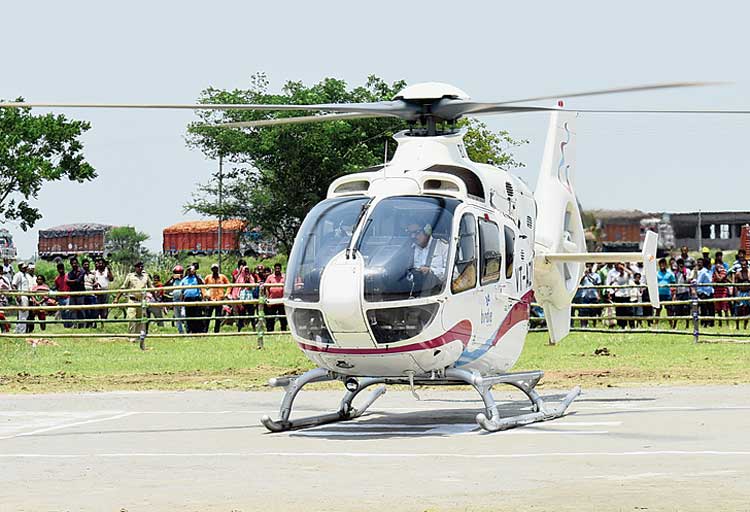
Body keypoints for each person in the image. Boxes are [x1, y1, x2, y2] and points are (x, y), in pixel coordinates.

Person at [407, 223, 450, 297]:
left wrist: (431, 271)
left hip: (438, 294)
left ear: (427, 231)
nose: (413, 236)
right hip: (414, 294)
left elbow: (454, 273)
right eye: (410, 233)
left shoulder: (443, 246)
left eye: (416, 232)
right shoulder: (410, 249)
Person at [115, 261, 154, 340]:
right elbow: (123, 287)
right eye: (138, 267)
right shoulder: (130, 276)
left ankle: (138, 336)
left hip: (142, 300)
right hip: (132, 300)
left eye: (141, 266)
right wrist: (117, 298)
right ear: (135, 268)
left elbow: (151, 287)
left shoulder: (146, 276)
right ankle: (131, 337)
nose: (140, 268)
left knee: (140, 319)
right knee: (132, 318)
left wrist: (157, 297)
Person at [204, 263, 230, 333]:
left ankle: (216, 331)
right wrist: (205, 294)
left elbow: (229, 285)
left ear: (218, 269)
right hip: (210, 299)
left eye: (216, 268)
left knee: (218, 316)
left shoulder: (222, 277)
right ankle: (205, 331)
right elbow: (202, 286)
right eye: (213, 269)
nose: (215, 270)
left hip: (219, 299)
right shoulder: (208, 277)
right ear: (211, 270)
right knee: (207, 316)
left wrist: (226, 294)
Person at [180, 265, 205, 334]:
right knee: (189, 315)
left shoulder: (197, 278)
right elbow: (182, 291)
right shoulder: (184, 279)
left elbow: (202, 283)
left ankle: (198, 331)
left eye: (192, 270)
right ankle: (190, 330)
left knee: (197, 315)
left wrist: (195, 275)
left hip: (196, 298)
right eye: (189, 270)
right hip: (187, 299)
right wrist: (181, 301)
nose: (190, 271)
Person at [607, 262, 633, 328]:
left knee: (629, 311)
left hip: (626, 295)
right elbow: (609, 283)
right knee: (620, 311)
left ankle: (631, 326)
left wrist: (623, 268)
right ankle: (622, 326)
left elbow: (631, 273)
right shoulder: (615, 275)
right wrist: (612, 291)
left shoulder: (627, 274)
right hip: (618, 295)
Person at [232, 265, 257, 331]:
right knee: (241, 314)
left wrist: (248, 281)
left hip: (249, 297)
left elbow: (253, 286)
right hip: (242, 297)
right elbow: (237, 288)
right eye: (245, 270)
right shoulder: (239, 278)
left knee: (251, 314)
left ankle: (254, 328)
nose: (246, 271)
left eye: (247, 270)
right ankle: (239, 329)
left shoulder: (251, 277)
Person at [575, 263, 601, 327]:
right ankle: (583, 325)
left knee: (594, 311)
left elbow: (598, 285)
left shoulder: (596, 275)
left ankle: (594, 325)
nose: (588, 267)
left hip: (593, 295)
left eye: (590, 266)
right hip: (584, 295)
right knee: (583, 311)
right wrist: (584, 275)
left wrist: (598, 295)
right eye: (587, 266)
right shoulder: (582, 276)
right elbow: (579, 282)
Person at [264, 263, 287, 332]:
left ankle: (284, 330)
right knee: (270, 317)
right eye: (276, 268)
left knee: (283, 317)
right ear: (274, 269)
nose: (277, 270)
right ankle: (270, 331)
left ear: (280, 269)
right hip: (272, 300)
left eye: (278, 268)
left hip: (281, 300)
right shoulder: (270, 277)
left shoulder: (284, 277)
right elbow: (266, 288)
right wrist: (268, 299)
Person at [65, 257, 86, 328]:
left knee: (81, 309)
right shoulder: (70, 273)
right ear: (71, 264)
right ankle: (75, 324)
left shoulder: (82, 271)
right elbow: (67, 282)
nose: (74, 265)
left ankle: (82, 324)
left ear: (77, 263)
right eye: (72, 263)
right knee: (73, 309)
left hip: (80, 293)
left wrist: (71, 281)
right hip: (72, 293)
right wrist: (74, 281)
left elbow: (78, 280)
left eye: (75, 263)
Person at [694, 258, 715, 327]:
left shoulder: (710, 271)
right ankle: (704, 323)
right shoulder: (703, 272)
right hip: (704, 293)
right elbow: (699, 282)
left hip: (710, 292)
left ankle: (711, 323)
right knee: (704, 309)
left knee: (711, 308)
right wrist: (700, 292)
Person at [12, 262, 32, 334]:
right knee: (23, 314)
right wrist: (17, 295)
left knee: (24, 314)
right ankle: (22, 332)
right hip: (21, 295)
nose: (25, 268)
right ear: (20, 268)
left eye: (25, 267)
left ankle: (18, 330)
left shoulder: (26, 275)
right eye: (23, 267)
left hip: (26, 296)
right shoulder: (18, 275)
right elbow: (13, 285)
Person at [656, 258, 676, 329]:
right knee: (658, 310)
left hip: (667, 294)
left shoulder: (670, 274)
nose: (662, 265)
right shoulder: (656, 273)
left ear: (666, 264)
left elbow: (673, 284)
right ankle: (655, 326)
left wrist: (673, 295)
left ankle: (671, 326)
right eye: (661, 264)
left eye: (663, 264)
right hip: (659, 294)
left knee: (669, 311)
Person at [166, 265, 185, 334]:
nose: (178, 274)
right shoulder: (172, 281)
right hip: (175, 299)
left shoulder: (185, 279)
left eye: (180, 272)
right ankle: (181, 332)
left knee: (184, 315)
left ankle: (188, 329)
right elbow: (166, 286)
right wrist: (172, 278)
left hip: (183, 299)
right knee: (177, 316)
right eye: (176, 272)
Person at [673, 258, 692, 329]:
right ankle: (674, 325)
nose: (680, 265)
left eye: (681, 263)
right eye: (679, 264)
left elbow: (688, 280)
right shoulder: (675, 273)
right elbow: (675, 283)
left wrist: (684, 274)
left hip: (686, 292)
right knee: (677, 309)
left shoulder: (687, 271)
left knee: (686, 309)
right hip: (678, 293)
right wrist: (674, 294)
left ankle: (687, 325)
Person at [732, 259, 750, 330]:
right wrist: (736, 295)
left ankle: (745, 326)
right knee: (738, 310)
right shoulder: (738, 273)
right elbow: (735, 285)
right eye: (742, 265)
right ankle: (737, 326)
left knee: (747, 310)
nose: (743, 266)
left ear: (747, 265)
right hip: (740, 293)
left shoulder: (749, 273)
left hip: (748, 292)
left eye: (745, 265)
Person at [53, 262, 72, 328]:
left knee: (67, 311)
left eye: (62, 268)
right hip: (61, 298)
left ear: (64, 268)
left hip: (68, 296)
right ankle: (66, 326)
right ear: (57, 269)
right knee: (63, 313)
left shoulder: (68, 276)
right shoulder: (57, 279)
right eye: (59, 269)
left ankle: (70, 324)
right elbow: (56, 287)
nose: (61, 270)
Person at [712, 261, 730, 327]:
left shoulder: (724, 271)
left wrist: (716, 272)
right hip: (716, 292)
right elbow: (713, 282)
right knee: (718, 309)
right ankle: (720, 324)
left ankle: (727, 324)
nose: (717, 266)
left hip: (723, 292)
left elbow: (719, 279)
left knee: (725, 309)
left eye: (719, 264)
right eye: (716, 265)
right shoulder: (714, 273)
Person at [82, 259, 97, 327]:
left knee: (93, 309)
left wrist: (95, 285)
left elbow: (96, 283)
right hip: (83, 295)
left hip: (91, 294)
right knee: (85, 310)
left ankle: (92, 323)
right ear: (82, 265)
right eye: (85, 265)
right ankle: (87, 323)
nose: (86, 266)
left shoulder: (92, 274)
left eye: (87, 264)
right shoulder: (81, 274)